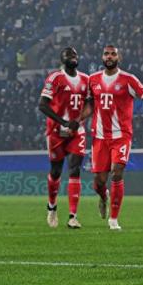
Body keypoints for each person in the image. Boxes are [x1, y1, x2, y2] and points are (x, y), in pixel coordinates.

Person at [81, 45, 143, 230]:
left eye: (113, 54)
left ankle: (113, 219)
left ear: (119, 57)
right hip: (99, 137)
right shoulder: (93, 80)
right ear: (102, 57)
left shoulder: (128, 79)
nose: (109, 57)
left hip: (121, 136)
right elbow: (90, 105)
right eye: (106, 54)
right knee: (99, 182)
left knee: (117, 172)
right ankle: (103, 197)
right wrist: (78, 120)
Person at [38, 47, 89, 229]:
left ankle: (73, 217)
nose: (73, 57)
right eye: (69, 55)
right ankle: (52, 207)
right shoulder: (55, 78)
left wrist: (78, 120)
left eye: (75, 54)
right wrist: (63, 122)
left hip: (77, 132)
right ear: (62, 59)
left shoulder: (86, 80)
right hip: (56, 132)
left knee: (75, 169)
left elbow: (90, 104)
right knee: (56, 171)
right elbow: (42, 105)